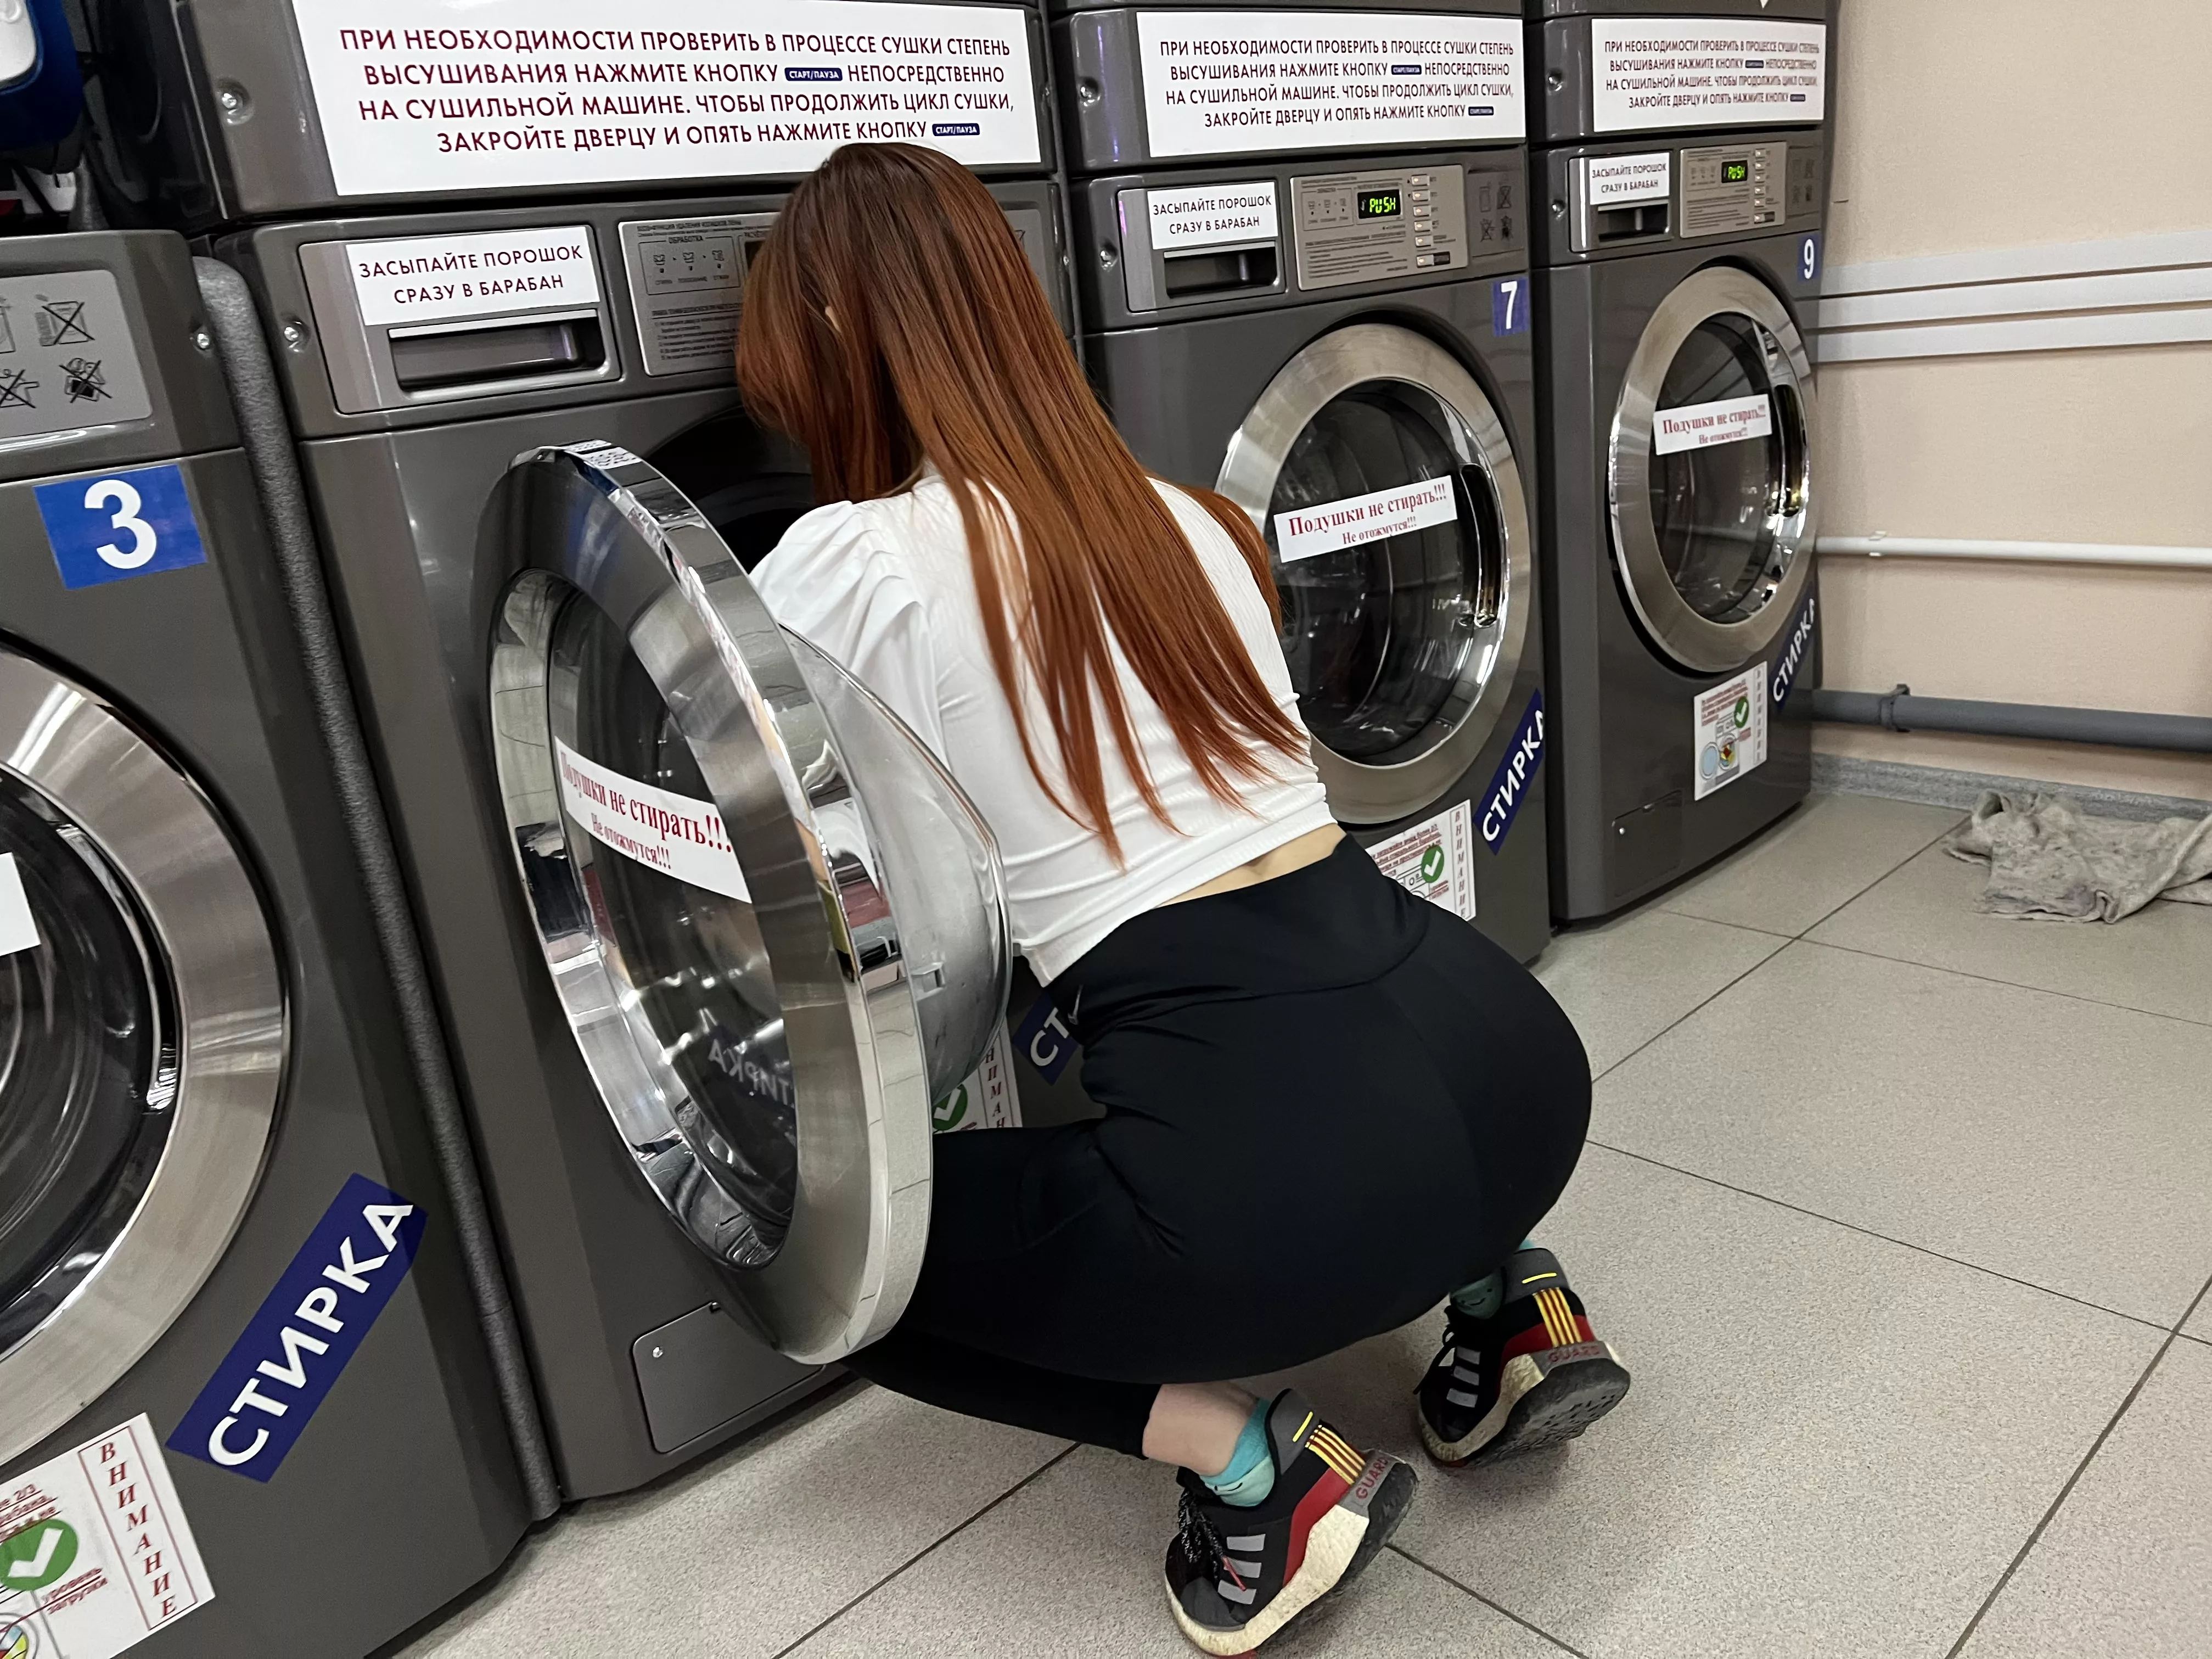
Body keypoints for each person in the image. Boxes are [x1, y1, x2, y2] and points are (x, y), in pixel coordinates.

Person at [736, 143, 1628, 1656]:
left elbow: (761, 828)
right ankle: (1509, 1313)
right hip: (1514, 1069)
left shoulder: (849, 558)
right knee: (1351, 1134)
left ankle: (1254, 1472)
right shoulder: (1194, 520)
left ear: (832, 336)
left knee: (833, 1271)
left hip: (1296, 1176)